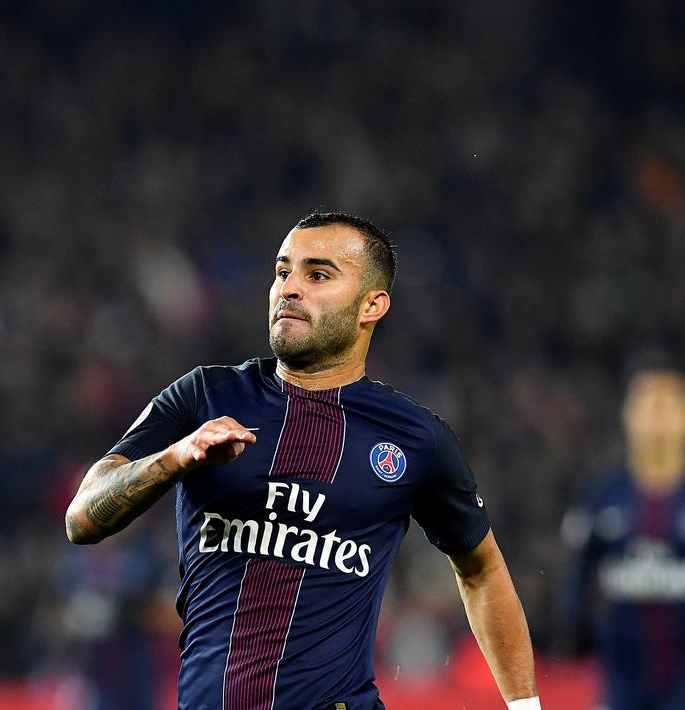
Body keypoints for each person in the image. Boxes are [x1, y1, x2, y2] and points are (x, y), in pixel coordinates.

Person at [65, 212, 539, 710]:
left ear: (372, 305)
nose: (289, 288)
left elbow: (481, 571)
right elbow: (82, 519)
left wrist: (526, 708)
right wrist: (174, 458)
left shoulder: (416, 437)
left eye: (318, 275)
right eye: (282, 271)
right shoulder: (205, 395)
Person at [561, 357, 685, 710]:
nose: (657, 413)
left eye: (668, 404)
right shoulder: (602, 496)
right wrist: (572, 635)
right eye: (647, 403)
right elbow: (577, 579)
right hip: (621, 681)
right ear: (628, 415)